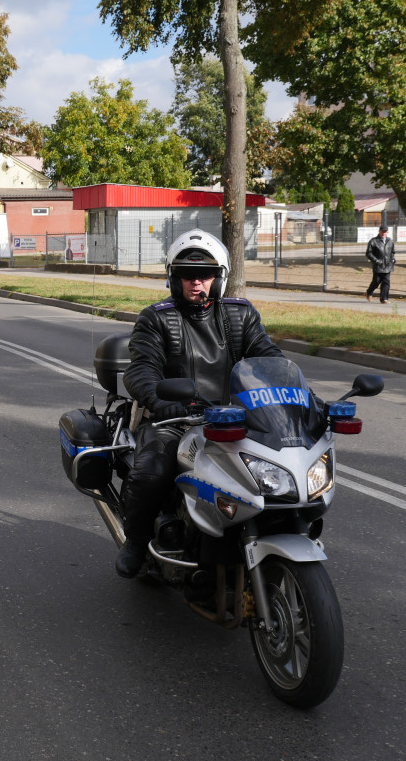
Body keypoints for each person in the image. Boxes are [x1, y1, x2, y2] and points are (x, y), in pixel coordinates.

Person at [116, 230, 283, 579]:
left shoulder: (241, 315)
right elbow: (141, 369)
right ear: (173, 278)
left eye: (205, 276)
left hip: (237, 419)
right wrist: (161, 401)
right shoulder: (156, 318)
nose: (196, 283)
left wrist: (301, 397)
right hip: (176, 420)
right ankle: (135, 540)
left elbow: (269, 358)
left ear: (219, 278)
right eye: (186, 276)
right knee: (152, 471)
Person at [365, 225, 395, 304]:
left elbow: (392, 252)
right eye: (382, 231)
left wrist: (393, 259)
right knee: (376, 281)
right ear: (379, 231)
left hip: (388, 266)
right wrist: (376, 261)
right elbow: (369, 253)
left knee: (386, 282)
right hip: (378, 266)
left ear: (387, 232)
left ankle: (384, 299)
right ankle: (369, 292)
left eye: (385, 232)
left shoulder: (390, 241)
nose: (383, 233)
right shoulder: (373, 241)